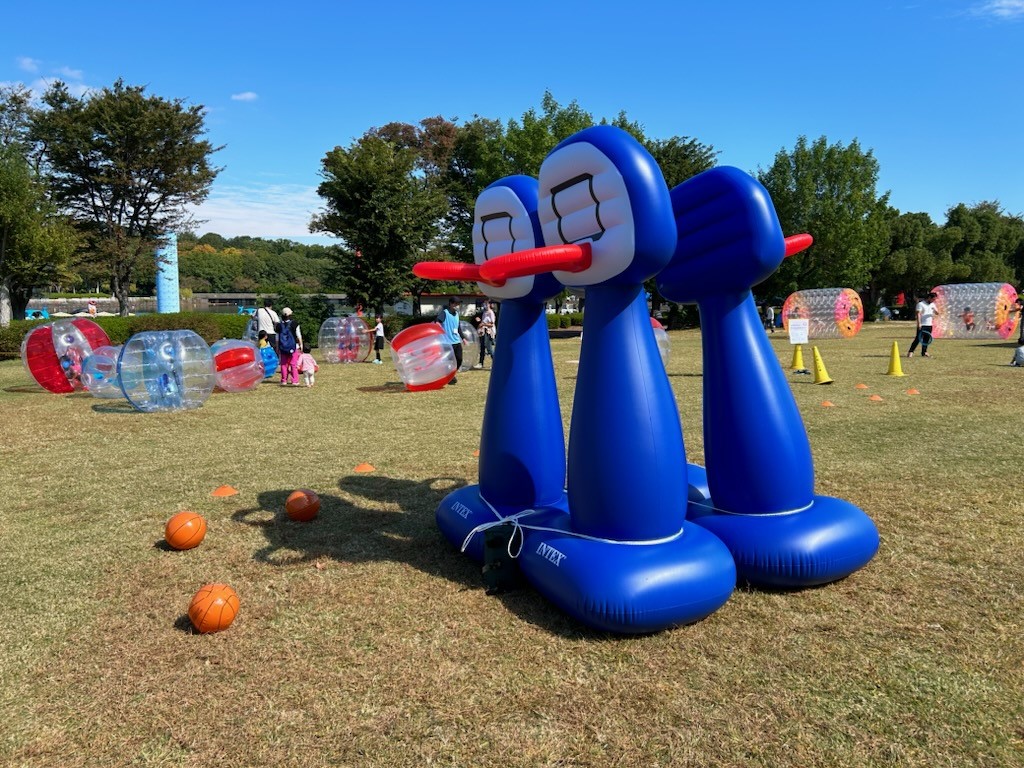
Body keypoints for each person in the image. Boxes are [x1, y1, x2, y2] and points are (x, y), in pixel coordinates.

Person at [436, 297, 462, 384]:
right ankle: (450, 377)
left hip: (456, 341)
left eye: (458, 304)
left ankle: (451, 374)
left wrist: (464, 338)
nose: (457, 306)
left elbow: (458, 327)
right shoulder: (445, 313)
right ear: (450, 304)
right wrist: (440, 329)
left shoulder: (457, 314)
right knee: (449, 361)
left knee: (459, 359)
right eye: (455, 304)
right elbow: (437, 322)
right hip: (447, 342)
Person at [276, 307, 303, 386]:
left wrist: (277, 347)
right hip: (293, 346)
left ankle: (284, 380)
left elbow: (277, 338)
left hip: (282, 347)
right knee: (293, 364)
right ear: (290, 315)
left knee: (283, 364)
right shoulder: (294, 323)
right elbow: (298, 335)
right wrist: (301, 345)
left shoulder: (279, 325)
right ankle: (295, 380)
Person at [907, 292, 938, 358]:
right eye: (933, 299)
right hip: (922, 324)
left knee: (926, 339)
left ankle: (924, 352)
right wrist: (919, 323)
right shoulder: (920, 304)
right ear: (929, 298)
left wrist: (935, 311)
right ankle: (911, 352)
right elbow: (918, 314)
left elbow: (937, 313)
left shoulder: (933, 305)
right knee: (918, 338)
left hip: (929, 324)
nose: (933, 301)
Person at [473, 300, 496, 368]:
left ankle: (495, 363)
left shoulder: (491, 313)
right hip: (483, 331)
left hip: (488, 332)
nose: (484, 305)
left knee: (488, 348)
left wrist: (483, 324)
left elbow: (492, 324)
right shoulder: (484, 313)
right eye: (484, 304)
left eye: (486, 304)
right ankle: (481, 363)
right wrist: (480, 321)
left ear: (489, 304)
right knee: (482, 347)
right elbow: (483, 321)